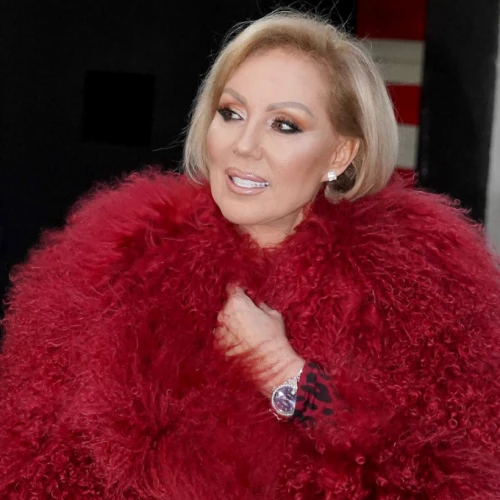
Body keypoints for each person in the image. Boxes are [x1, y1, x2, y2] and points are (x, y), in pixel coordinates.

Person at [1, 9, 499, 499]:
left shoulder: (423, 282)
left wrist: (283, 373)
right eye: (231, 113)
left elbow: (449, 474)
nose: (243, 145)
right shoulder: (118, 253)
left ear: (340, 153)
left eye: (284, 125)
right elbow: (31, 454)